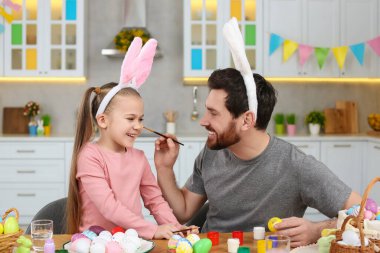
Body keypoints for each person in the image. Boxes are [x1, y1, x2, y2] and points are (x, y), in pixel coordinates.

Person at [154, 68, 362, 246]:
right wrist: (164, 169)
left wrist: (318, 230)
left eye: (213, 113)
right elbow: (183, 211)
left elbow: (366, 214)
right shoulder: (211, 153)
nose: (203, 121)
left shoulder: (296, 165)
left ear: (246, 120)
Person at [66, 37, 183, 239]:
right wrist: (153, 230)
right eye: (130, 118)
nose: (138, 126)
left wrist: (176, 229)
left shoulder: (138, 157)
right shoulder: (89, 156)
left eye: (140, 119)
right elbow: (109, 207)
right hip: (95, 244)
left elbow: (155, 200)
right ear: (103, 120)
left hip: (131, 243)